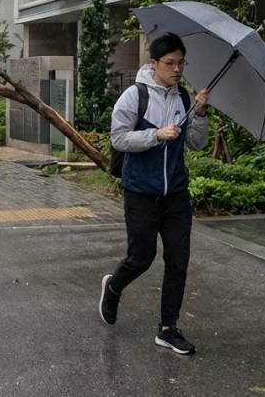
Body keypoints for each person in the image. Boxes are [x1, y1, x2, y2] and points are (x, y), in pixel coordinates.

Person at [100, 33, 209, 355]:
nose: (177, 69)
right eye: (170, 63)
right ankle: (114, 285)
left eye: (181, 63)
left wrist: (200, 113)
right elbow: (119, 139)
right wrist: (155, 134)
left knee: (178, 260)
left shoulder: (185, 100)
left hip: (176, 193)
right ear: (154, 64)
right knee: (141, 257)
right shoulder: (134, 97)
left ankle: (168, 328)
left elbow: (196, 144)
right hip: (141, 193)